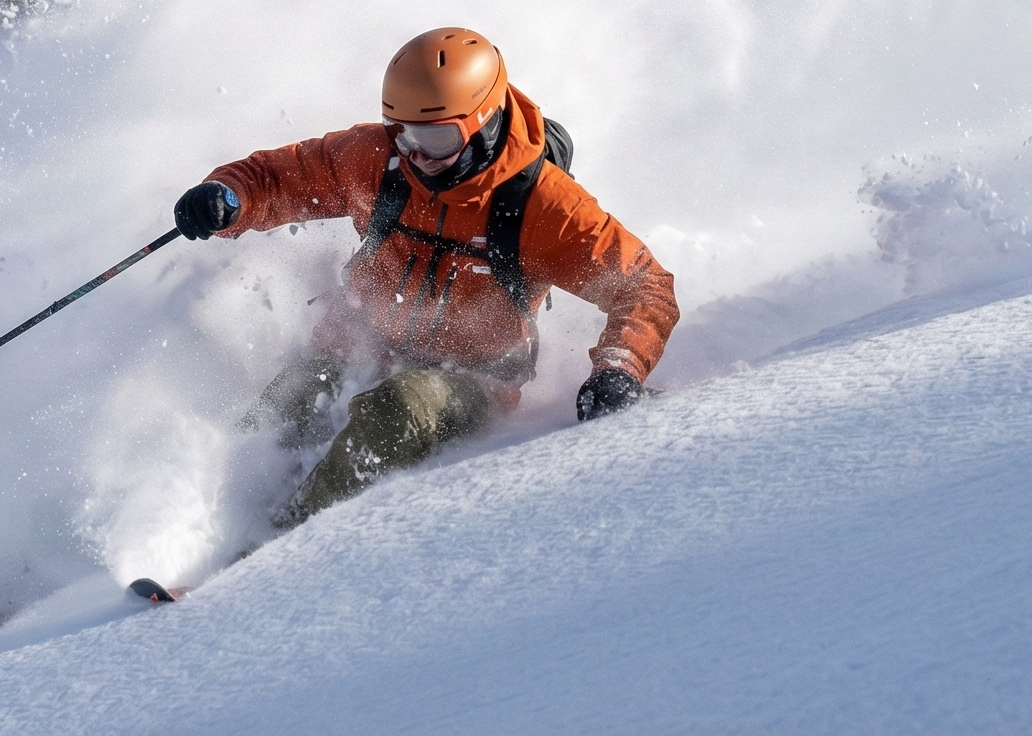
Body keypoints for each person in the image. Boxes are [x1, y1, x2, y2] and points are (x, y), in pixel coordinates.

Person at [174, 27, 678, 524]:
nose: (414, 154)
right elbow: (278, 177)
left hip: (471, 377)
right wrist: (228, 198)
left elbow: (644, 285)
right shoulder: (383, 160)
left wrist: (618, 370)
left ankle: (277, 550)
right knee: (291, 398)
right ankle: (206, 527)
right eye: (402, 131)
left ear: (483, 122)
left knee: (400, 405)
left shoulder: (543, 206)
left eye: (435, 138)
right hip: (363, 344)